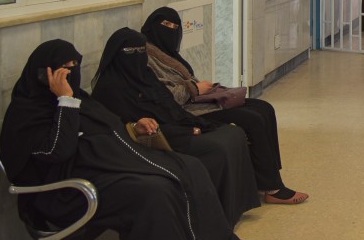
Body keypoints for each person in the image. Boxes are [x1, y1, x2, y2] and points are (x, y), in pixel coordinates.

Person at [1, 40, 264, 240]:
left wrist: (132, 128)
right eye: (62, 70)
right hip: (66, 190)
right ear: (42, 73)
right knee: (155, 191)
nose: (70, 74)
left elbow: (106, 127)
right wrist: (65, 101)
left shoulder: (81, 99)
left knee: (189, 168)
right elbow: (58, 151)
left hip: (102, 169)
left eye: (74, 67)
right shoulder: (27, 113)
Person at [91, 28, 260, 225]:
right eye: (130, 51)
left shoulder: (145, 75)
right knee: (217, 149)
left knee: (234, 134)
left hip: (175, 126)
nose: (136, 57)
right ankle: (212, 217)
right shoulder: (109, 88)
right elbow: (127, 128)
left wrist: (192, 123)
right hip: (154, 138)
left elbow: (168, 105)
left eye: (140, 50)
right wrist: (187, 131)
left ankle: (234, 208)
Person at [141, 7, 308, 204]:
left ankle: (266, 176)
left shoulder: (168, 53)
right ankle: (273, 187)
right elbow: (164, 95)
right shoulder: (147, 58)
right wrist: (194, 88)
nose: (170, 30)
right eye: (165, 25)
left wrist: (201, 88)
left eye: (175, 26)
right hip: (188, 111)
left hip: (201, 101)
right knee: (252, 120)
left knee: (264, 109)